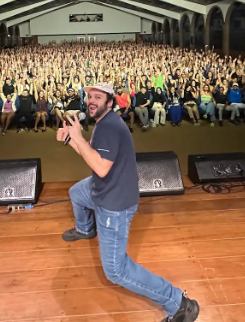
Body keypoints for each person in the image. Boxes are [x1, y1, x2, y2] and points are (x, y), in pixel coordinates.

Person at [57, 82, 199, 322]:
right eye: (90, 96)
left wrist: (78, 137)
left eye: (98, 97)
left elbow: (100, 167)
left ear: (110, 102)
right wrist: (71, 139)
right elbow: (93, 154)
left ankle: (179, 303)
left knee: (116, 271)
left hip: (114, 204)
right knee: (76, 193)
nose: (91, 101)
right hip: (104, 188)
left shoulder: (110, 127)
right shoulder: (104, 123)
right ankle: (85, 228)